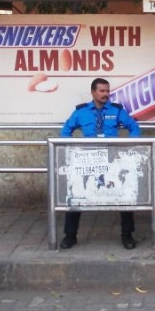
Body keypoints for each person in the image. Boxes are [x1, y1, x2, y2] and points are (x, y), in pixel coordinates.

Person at [59, 77, 140, 250]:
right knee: (76, 195)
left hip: (112, 160)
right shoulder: (81, 112)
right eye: (102, 91)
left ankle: (127, 235)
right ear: (93, 92)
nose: (105, 94)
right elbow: (66, 131)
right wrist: (73, 150)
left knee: (124, 195)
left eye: (107, 91)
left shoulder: (117, 110)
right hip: (88, 160)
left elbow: (134, 127)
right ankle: (70, 236)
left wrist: (128, 146)